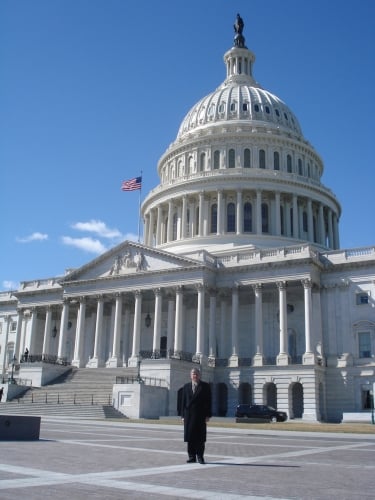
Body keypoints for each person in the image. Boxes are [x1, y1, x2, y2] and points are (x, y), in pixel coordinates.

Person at [180, 367, 212, 464]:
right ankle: (191, 457)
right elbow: (183, 402)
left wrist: (208, 415)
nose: (195, 376)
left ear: (199, 375)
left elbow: (209, 401)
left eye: (197, 374)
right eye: (193, 374)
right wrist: (182, 416)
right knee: (190, 438)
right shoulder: (186, 386)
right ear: (191, 376)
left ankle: (200, 457)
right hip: (189, 415)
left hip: (200, 415)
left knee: (200, 438)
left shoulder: (205, 386)